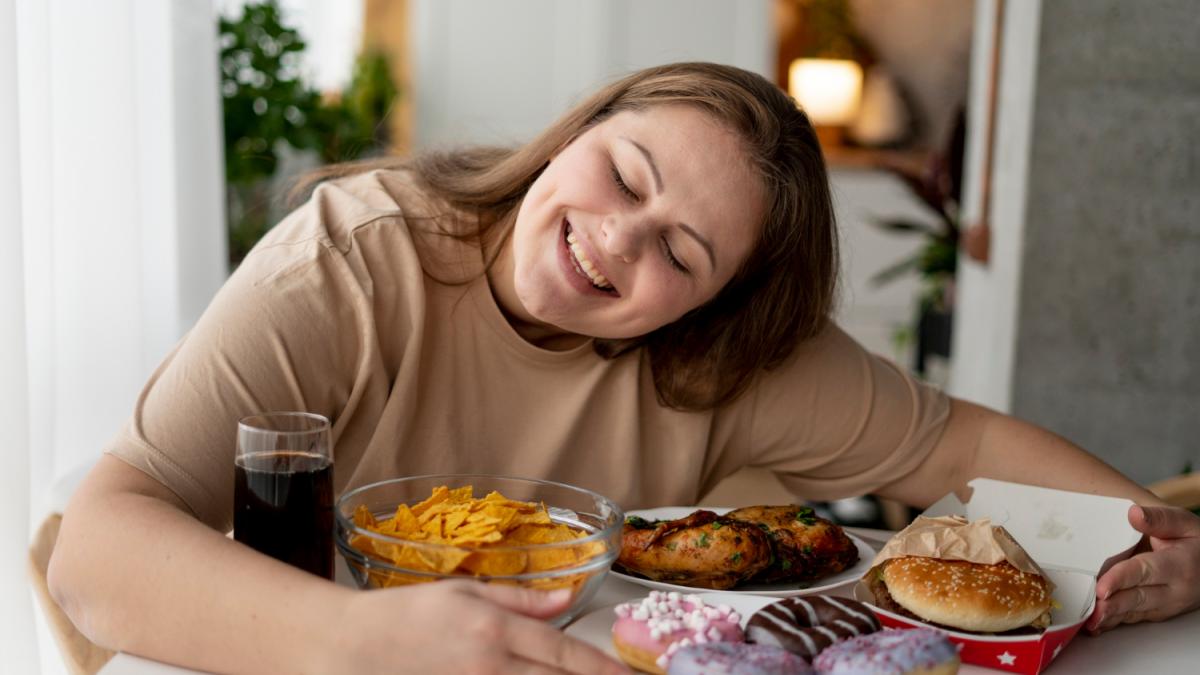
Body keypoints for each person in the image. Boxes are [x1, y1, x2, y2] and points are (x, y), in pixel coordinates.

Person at [49, 62, 1198, 674]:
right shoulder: (353, 262)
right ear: (573, 130)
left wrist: (1160, 542)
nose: (618, 237)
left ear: (714, 305)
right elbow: (98, 550)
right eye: (625, 171)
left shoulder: (732, 357)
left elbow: (970, 445)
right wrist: (360, 645)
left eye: (681, 253)